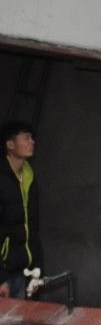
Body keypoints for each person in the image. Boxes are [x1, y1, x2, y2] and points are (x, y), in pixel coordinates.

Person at [0, 121, 42, 298]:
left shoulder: (29, 176)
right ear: (10, 145)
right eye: (26, 137)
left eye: (31, 138)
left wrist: (37, 271)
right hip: (5, 274)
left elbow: (33, 228)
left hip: (23, 273)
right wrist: (1, 278)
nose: (32, 142)